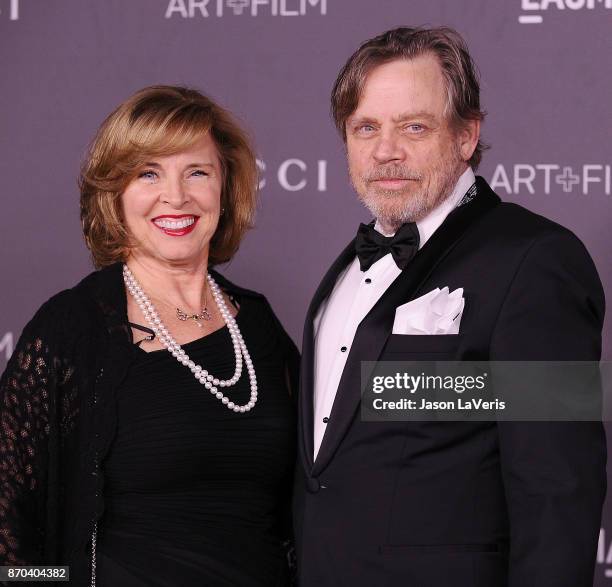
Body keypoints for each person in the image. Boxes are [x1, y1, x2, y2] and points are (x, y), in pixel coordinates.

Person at [293, 26, 606, 586]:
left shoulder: (536, 260)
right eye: (366, 128)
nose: (385, 151)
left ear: (466, 135)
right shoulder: (343, 272)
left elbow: (558, 489)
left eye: (414, 126)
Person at [0, 85, 298, 586]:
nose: (176, 196)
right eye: (148, 173)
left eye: (197, 172)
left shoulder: (260, 326)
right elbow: (9, 535)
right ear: (114, 193)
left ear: (226, 187)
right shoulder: (70, 329)